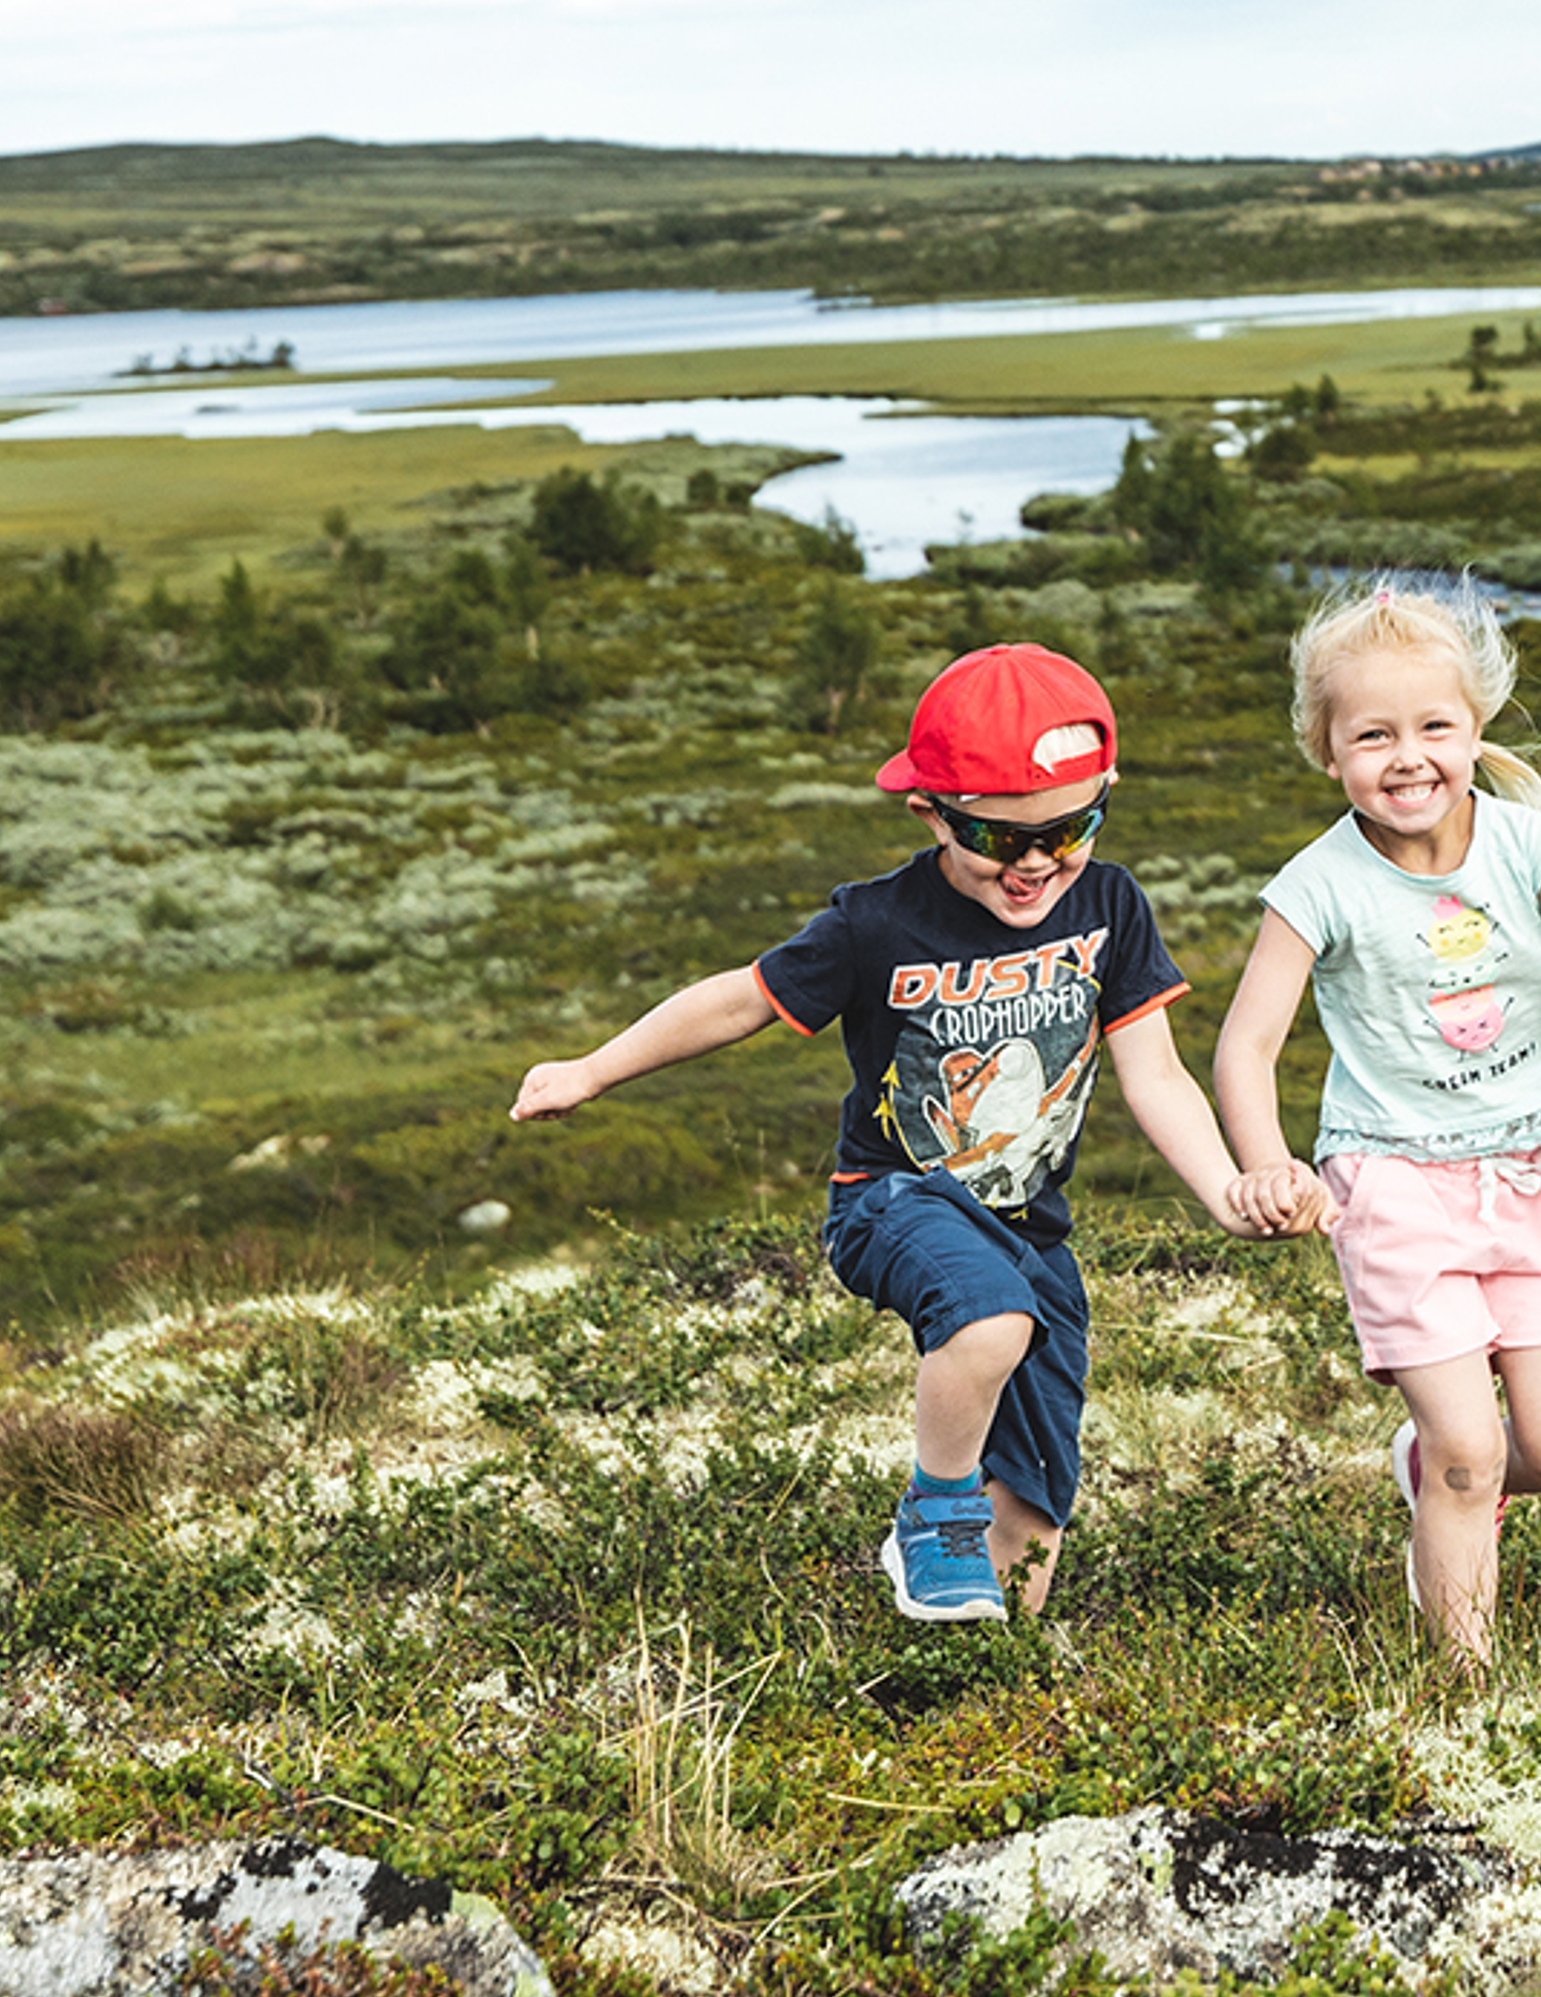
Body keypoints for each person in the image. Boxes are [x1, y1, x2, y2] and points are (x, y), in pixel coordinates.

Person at [513, 642, 1319, 1624]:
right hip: (894, 1200)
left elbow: (1156, 1075)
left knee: (1034, 1493)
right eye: (995, 835)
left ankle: (982, 1671)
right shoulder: (876, 923)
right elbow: (740, 1002)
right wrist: (592, 1070)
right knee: (990, 1323)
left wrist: (1230, 1194)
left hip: (1029, 1226)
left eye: (1068, 831)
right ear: (931, 813)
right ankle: (932, 1518)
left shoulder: (1109, 906)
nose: (1032, 865)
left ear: (1104, 796)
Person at [1211, 582, 1541, 1660]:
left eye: (1433, 728)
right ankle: (1463, 1684)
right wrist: (1266, 1165)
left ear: (1475, 728)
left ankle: (1431, 1476)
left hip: (1538, 1176)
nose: (1407, 757)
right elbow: (1245, 1045)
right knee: (1470, 1451)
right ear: (1328, 751)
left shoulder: (1527, 845)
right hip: (1397, 1188)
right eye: (1373, 735)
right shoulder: (1315, 885)